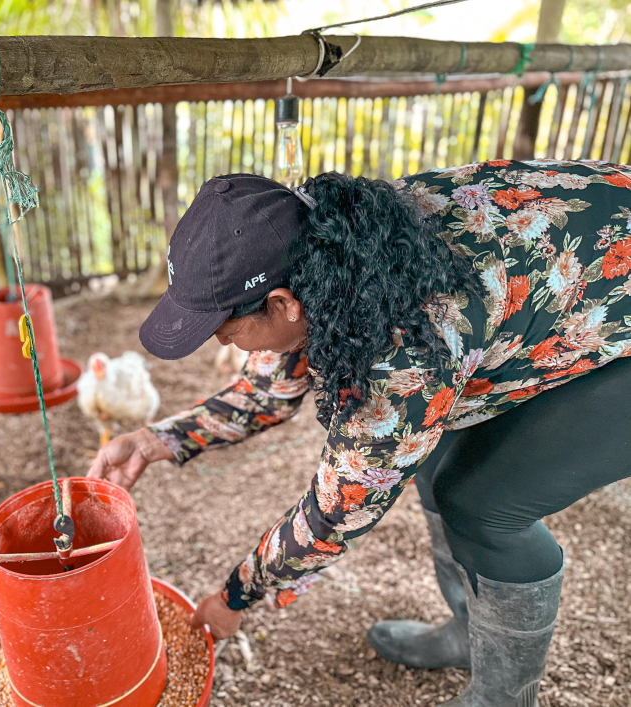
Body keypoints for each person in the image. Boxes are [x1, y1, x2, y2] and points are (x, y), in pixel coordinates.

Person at [86, 160, 631, 706]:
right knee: (437, 466)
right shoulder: (325, 244)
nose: (227, 346)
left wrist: (235, 595)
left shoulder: (404, 350)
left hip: (616, 321)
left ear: (282, 304)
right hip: (580, 286)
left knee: (482, 504)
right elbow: (270, 390)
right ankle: (471, 632)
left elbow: (334, 512)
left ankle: (503, 698)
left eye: (228, 332)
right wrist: (158, 439)